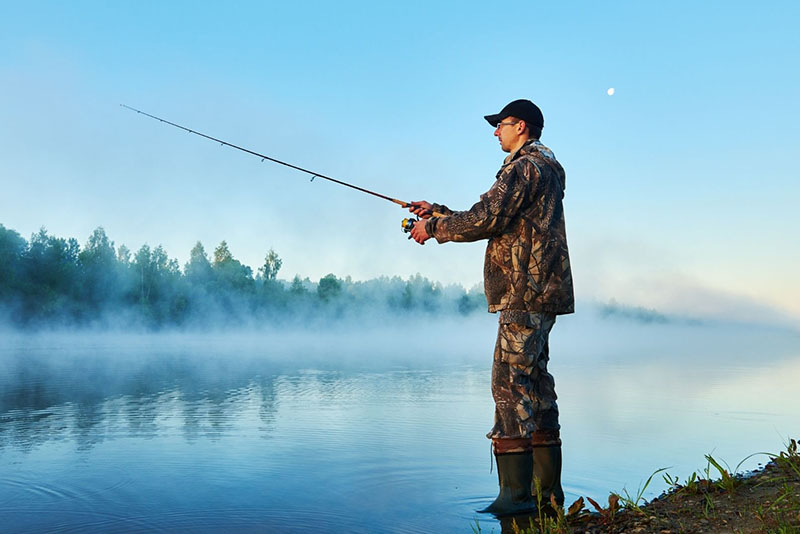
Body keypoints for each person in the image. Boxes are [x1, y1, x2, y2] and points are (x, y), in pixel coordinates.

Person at [408, 99, 574, 517]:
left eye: (500, 125)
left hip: (524, 290)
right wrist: (440, 212)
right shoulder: (546, 168)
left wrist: (434, 228)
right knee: (534, 382)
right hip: (542, 290)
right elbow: (500, 217)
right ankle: (547, 495)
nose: (494, 132)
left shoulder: (523, 168)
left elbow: (488, 217)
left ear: (521, 126)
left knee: (509, 383)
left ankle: (516, 498)